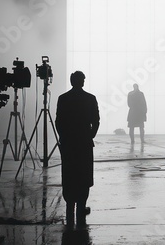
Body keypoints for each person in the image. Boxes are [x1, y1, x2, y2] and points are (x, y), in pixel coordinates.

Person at [56, 71, 100, 229]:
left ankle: (70, 206)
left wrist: (64, 138)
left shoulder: (63, 98)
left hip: (68, 143)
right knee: (84, 174)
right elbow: (96, 120)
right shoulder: (90, 98)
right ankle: (81, 205)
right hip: (84, 143)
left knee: (69, 173)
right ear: (82, 82)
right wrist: (90, 136)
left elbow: (58, 121)